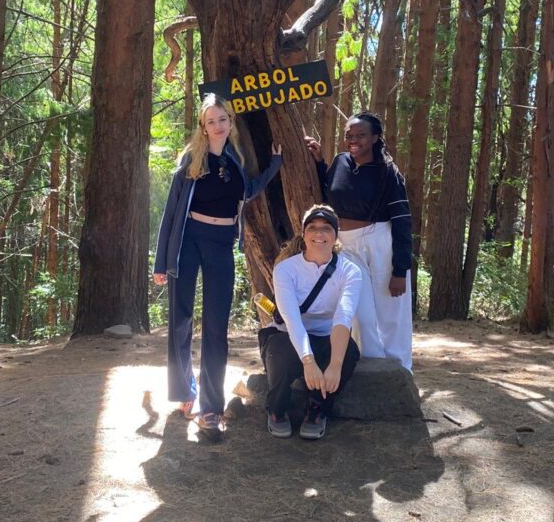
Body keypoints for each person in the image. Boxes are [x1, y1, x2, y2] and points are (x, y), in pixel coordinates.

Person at [154, 94, 282, 439]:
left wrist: (274, 165)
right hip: (188, 241)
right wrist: (161, 261)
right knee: (180, 319)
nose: (217, 125)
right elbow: (171, 211)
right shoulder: (191, 159)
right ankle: (184, 392)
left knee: (216, 327)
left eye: (222, 119)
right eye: (211, 121)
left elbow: (248, 190)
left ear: (230, 122)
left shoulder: (236, 158)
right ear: (203, 126)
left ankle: (211, 408)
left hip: (222, 244)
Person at [305, 112, 413, 369]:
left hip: (380, 243)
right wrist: (319, 163)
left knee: (391, 314)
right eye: (349, 135)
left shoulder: (387, 171)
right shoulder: (340, 162)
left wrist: (400, 270)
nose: (353, 140)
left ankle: (399, 373)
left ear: (375, 138)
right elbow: (328, 193)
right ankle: (371, 370)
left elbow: (402, 220)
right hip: (345, 245)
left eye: (361, 135)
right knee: (359, 314)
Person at [264, 205, 362, 440]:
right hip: (288, 336)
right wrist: (308, 361)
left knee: (349, 352)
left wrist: (335, 364)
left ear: (335, 235)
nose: (319, 234)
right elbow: (291, 319)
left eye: (326, 228)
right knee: (280, 351)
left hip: (326, 337)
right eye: (313, 228)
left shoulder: (350, 271)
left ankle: (317, 409)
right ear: (304, 234)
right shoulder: (285, 269)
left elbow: (343, 317)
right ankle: (277, 410)